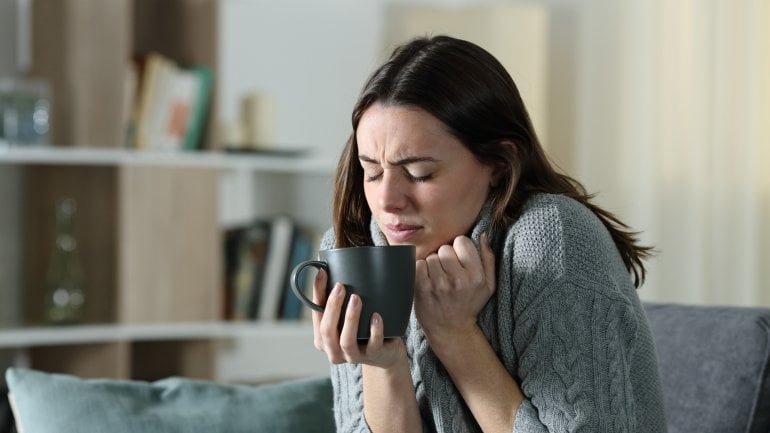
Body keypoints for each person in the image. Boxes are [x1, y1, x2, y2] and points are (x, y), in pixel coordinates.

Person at [311, 35, 667, 432]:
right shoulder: (355, 246)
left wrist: (455, 335)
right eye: (372, 171)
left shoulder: (551, 239)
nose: (388, 200)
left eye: (419, 173)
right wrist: (384, 362)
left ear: (498, 162)